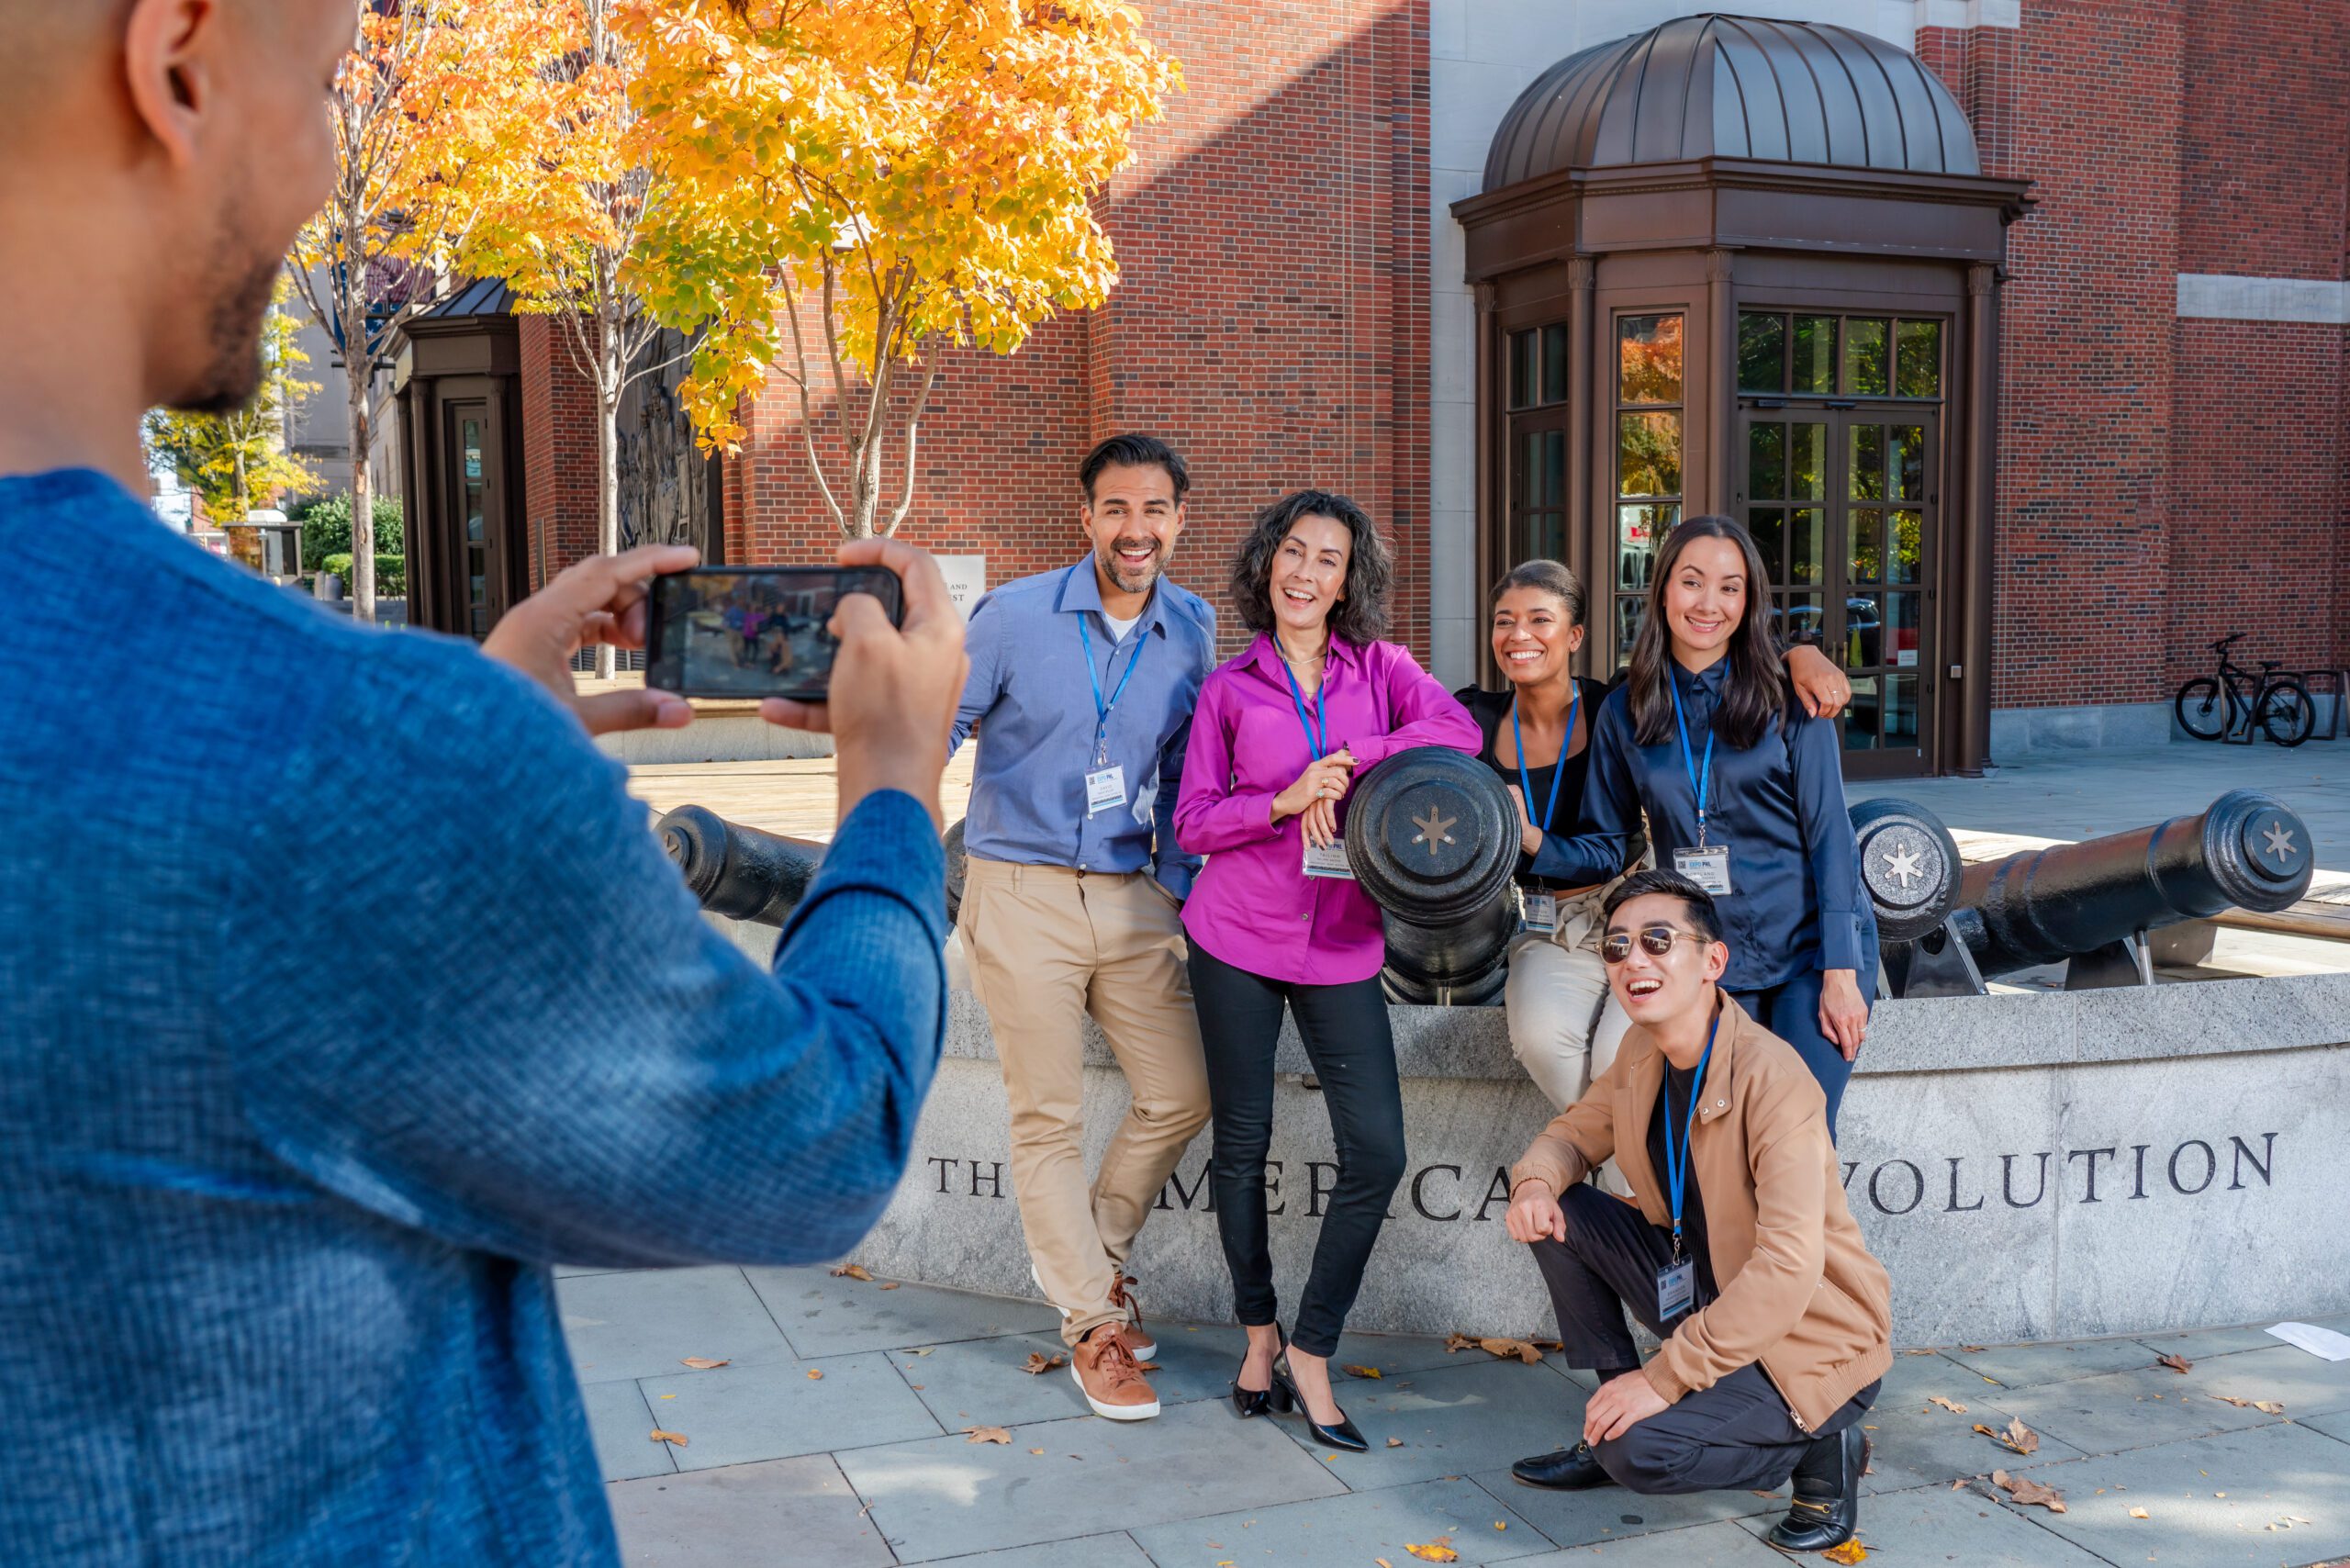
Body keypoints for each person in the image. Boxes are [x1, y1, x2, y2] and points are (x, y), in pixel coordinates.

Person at [0, 4, 966, 1562]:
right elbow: (816, 1140)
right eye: (321, 88)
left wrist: (472, 717)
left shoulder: (371, 743)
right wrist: (896, 783)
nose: (326, 174)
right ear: (178, 62)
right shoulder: (346, 755)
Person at [1174, 488, 1481, 1452]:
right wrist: (1279, 800)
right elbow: (1190, 823)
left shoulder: (1381, 669)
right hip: (1233, 933)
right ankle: (1259, 1335)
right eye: (1294, 553)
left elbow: (1458, 736)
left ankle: (1314, 1344)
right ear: (1268, 564)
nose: (1307, 573)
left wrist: (1352, 758)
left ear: (1351, 578)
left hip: (1342, 937)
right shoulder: (1229, 688)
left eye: (1329, 559)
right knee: (1242, 1143)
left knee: (1378, 1150)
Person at [949, 432, 1219, 1421]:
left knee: (1183, 1091)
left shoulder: (1193, 626)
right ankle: (1091, 1326)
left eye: (1154, 510)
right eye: (1116, 509)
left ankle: (1094, 1268)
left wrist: (1180, 888)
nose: (1135, 528)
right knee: (1047, 1117)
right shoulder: (1014, 616)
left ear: (1179, 519)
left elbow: (1191, 771)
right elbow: (940, 722)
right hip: (1018, 886)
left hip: (1128, 891)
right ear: (1087, 517)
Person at [1502, 870, 1890, 1555]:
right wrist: (1534, 1182)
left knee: (1641, 1457)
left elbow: (1788, 1270)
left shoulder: (1774, 1080)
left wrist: (1666, 1378)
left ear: (1713, 962)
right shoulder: (1640, 1052)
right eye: (1617, 948)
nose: (1634, 962)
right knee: (1558, 1210)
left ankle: (1821, 1451)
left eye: (1657, 941)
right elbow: (1573, 1134)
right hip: (1707, 1292)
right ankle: (1610, 1412)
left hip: (1804, 1339)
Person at [1456, 561, 1852, 1116]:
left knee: (1628, 1052)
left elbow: (1706, 659)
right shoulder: (1469, 718)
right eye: (1505, 621)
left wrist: (1798, 653)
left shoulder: (1619, 703)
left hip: (1635, 907)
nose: (1519, 635)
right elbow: (1397, 732)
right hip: (1546, 923)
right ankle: (1631, 1179)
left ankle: (1629, 1181)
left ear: (1575, 636)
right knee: (1545, 1042)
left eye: (1539, 619)